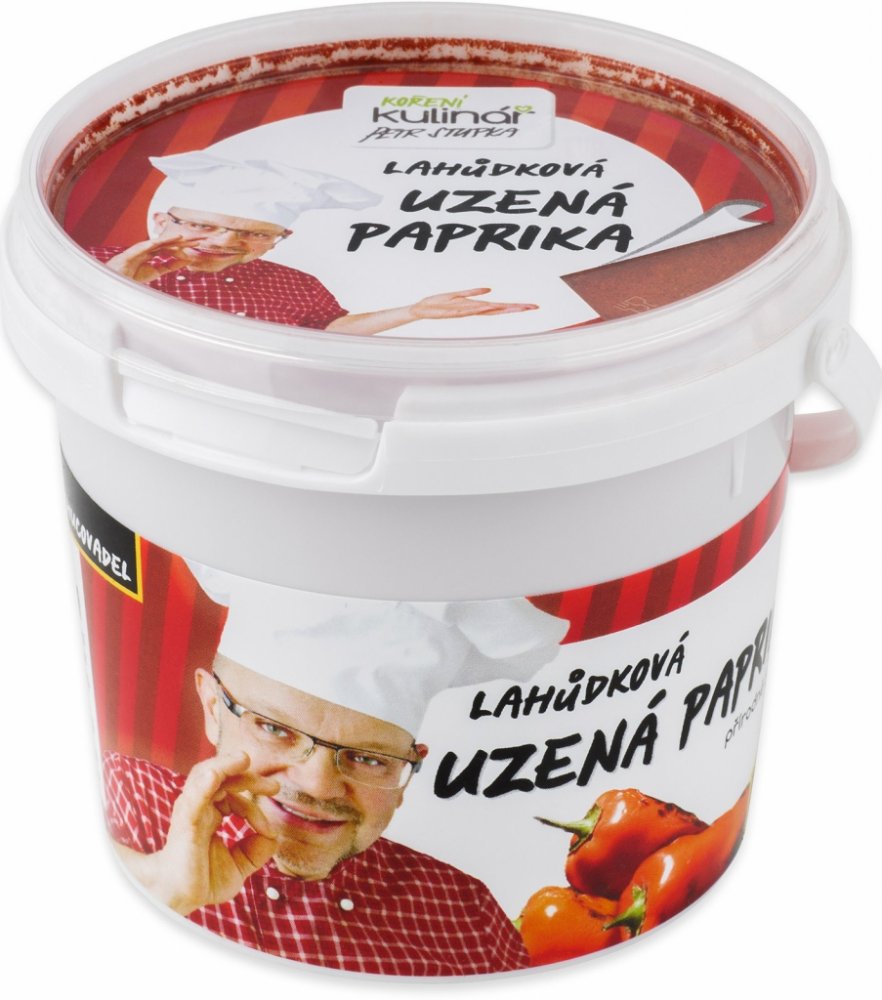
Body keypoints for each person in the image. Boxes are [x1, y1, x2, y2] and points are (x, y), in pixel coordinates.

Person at [105, 573, 569, 975]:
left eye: (369, 758)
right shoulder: (125, 797)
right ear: (212, 707)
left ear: (407, 770)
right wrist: (164, 888)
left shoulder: (466, 914)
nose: (318, 785)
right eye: (274, 729)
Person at [89, 151, 538, 334]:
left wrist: (413, 312)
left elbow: (328, 334)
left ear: (276, 241)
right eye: (202, 225)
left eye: (253, 233)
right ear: (160, 221)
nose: (224, 241)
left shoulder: (297, 282)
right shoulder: (94, 263)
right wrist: (117, 284)